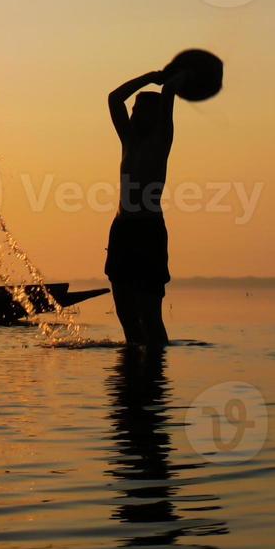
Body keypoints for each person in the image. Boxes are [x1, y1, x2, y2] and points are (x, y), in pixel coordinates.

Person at [106, 69, 186, 347]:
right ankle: (130, 376)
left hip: (148, 231)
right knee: (126, 314)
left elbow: (168, 95)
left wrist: (173, 82)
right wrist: (150, 76)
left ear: (154, 116)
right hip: (122, 230)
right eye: (135, 109)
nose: (134, 113)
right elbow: (114, 98)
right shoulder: (128, 140)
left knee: (150, 317)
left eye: (140, 109)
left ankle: (154, 377)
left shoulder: (161, 140)